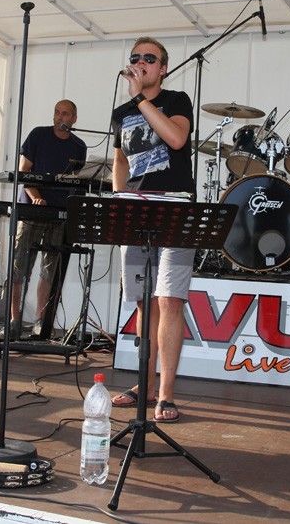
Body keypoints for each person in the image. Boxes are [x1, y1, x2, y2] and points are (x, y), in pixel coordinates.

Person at [109, 36, 195, 424]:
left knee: (170, 300)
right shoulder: (121, 113)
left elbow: (176, 138)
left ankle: (166, 393)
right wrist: (119, 200)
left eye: (150, 58)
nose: (141, 62)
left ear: (163, 68)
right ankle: (144, 384)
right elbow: (120, 161)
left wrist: (141, 100)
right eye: (135, 57)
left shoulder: (177, 100)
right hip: (136, 210)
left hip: (175, 206)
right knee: (144, 302)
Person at [0, 100, 86, 342]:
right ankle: (14, 322)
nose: (60, 117)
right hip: (32, 211)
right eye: (57, 112)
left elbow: (76, 181)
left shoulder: (79, 146)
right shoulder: (38, 135)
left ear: (74, 119)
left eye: (65, 114)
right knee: (19, 267)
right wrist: (35, 197)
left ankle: (40, 322)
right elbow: (23, 171)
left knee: (49, 271)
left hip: (60, 214)